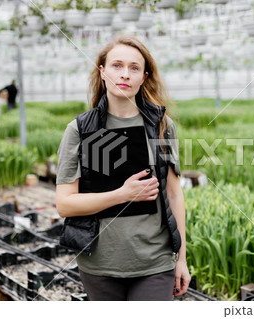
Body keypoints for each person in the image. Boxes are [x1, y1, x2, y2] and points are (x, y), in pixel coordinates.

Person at [55, 35, 190, 301]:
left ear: (144, 77)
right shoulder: (80, 130)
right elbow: (65, 204)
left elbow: (174, 195)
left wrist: (181, 258)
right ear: (102, 71)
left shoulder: (162, 126)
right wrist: (124, 194)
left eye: (134, 68)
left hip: (155, 262)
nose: (125, 74)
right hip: (100, 266)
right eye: (116, 65)